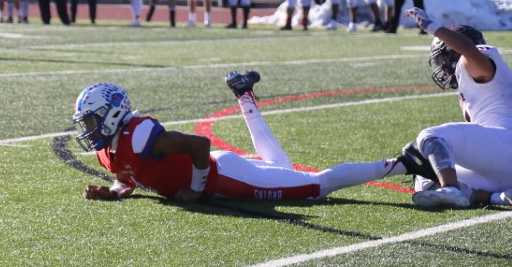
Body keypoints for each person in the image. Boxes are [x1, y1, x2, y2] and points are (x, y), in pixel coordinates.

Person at [74, 71, 408, 203]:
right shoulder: (110, 148)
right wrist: (116, 192)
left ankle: (403, 164)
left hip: (224, 176)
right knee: (280, 166)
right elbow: (128, 176)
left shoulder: (138, 133)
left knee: (316, 188)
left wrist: (197, 187)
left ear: (113, 112)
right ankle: (244, 94)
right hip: (220, 171)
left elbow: (199, 145)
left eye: (92, 118)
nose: (88, 127)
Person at [397, 10, 512, 210]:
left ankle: (451, 189)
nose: (443, 68)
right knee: (426, 177)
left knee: (430, 136)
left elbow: (469, 51)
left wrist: (433, 27)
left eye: (444, 58)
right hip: (510, 167)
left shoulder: (481, 65)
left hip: (504, 152)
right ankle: (495, 198)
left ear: (455, 52)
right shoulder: (486, 89)